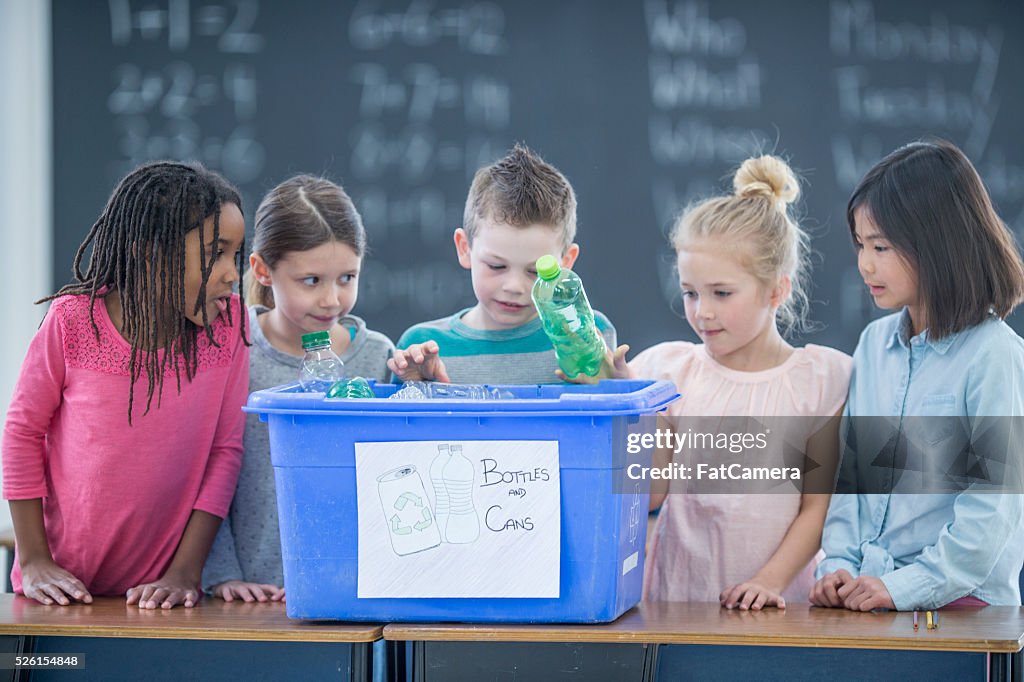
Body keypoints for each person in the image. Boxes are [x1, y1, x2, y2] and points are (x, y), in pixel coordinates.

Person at [2, 160, 249, 609]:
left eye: (236, 254)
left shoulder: (230, 327)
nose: (233, 274)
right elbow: (21, 432)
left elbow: (225, 451)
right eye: (216, 253)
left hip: (161, 595)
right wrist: (35, 559)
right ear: (148, 251)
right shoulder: (72, 321)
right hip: (58, 590)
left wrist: (184, 573)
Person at [626, 155, 851, 609]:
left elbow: (816, 508)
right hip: (679, 607)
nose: (701, 311)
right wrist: (630, 409)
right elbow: (651, 493)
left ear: (776, 290)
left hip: (783, 610)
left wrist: (767, 582)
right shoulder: (671, 373)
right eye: (690, 293)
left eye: (721, 293)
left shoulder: (820, 381)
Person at [812, 140, 1024, 611]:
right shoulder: (873, 344)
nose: (865, 264)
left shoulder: (993, 355)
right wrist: (838, 566)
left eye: (881, 247)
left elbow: (992, 507)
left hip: (962, 608)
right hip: (872, 599)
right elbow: (852, 474)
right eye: (861, 245)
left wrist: (906, 587)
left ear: (938, 243)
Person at [203, 175, 394, 602]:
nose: (331, 300)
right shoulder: (230, 346)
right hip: (242, 594)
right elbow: (201, 469)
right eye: (311, 281)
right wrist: (221, 575)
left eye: (347, 277)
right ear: (262, 271)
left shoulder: (377, 357)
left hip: (348, 591)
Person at [388, 143, 619, 385]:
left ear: (566, 263)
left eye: (535, 271)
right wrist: (421, 388)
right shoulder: (424, 349)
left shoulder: (586, 335)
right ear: (464, 248)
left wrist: (614, 384)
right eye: (496, 266)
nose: (514, 286)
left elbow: (621, 421)